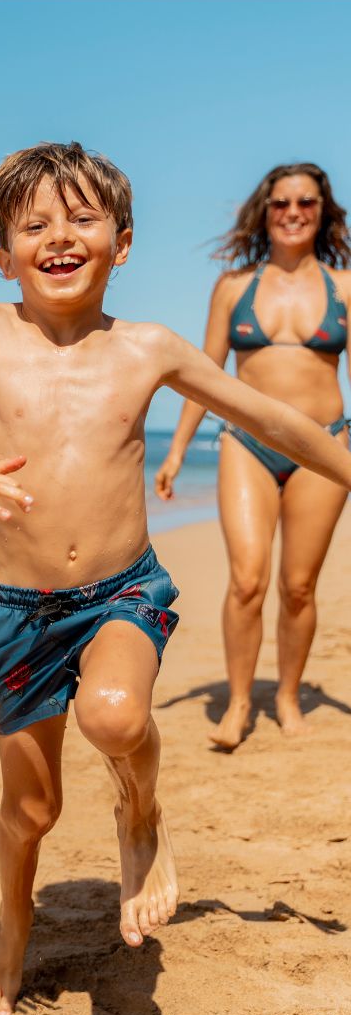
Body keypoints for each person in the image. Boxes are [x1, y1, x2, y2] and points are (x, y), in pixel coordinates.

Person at [0, 142, 351, 1015]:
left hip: (121, 593)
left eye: (83, 219)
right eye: (35, 226)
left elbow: (276, 421)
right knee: (32, 812)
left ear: (121, 243)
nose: (59, 237)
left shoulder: (149, 348)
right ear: (4, 255)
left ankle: (141, 812)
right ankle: (14, 914)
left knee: (116, 714)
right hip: (20, 611)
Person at [155, 164, 351, 749]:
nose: (293, 213)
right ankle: (239, 703)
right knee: (246, 581)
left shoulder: (345, 287)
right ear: (264, 213)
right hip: (246, 445)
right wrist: (176, 451)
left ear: (322, 211)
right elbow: (204, 375)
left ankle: (287, 697)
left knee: (299, 586)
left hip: (324, 445)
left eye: (306, 202)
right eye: (281, 203)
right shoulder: (233, 287)